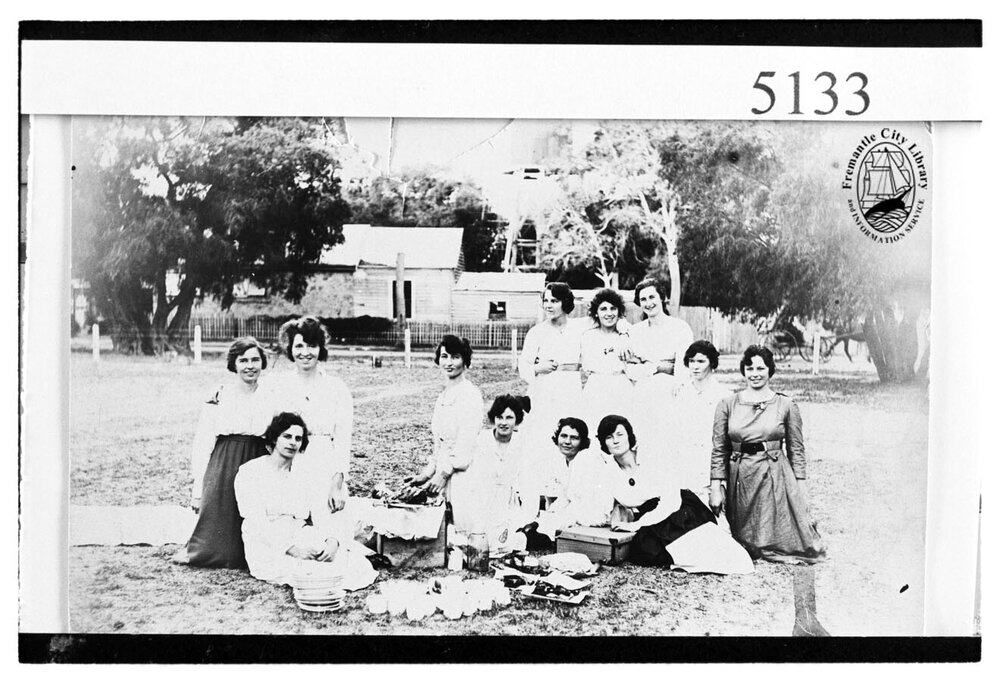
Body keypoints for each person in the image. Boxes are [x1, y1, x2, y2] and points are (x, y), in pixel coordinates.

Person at [710, 345, 826, 564]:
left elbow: (796, 450)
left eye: (761, 368)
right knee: (740, 540)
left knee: (784, 537)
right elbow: (719, 449)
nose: (755, 373)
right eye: (750, 368)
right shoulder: (727, 404)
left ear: (770, 371)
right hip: (740, 475)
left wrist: (801, 489)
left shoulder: (785, 404)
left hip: (773, 473)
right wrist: (716, 488)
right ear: (743, 371)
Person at [234, 412, 377, 590]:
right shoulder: (250, 472)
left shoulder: (303, 474)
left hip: (299, 533)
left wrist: (333, 540)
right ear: (274, 439)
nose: (292, 442)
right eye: (286, 436)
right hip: (267, 543)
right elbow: (255, 521)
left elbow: (320, 512)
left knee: (353, 565)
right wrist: (293, 549)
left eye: (298, 438)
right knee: (315, 573)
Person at [596, 415, 753, 574]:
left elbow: (670, 502)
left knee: (723, 556)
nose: (615, 441)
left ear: (629, 436)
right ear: (604, 443)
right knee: (644, 550)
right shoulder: (609, 473)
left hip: (677, 509)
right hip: (649, 518)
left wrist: (635, 525)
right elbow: (612, 504)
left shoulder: (651, 458)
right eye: (609, 437)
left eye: (620, 434)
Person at [175, 337, 273, 568]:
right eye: (243, 360)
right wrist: (197, 490)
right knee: (220, 537)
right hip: (225, 459)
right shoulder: (220, 397)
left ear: (263, 363)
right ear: (234, 364)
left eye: (255, 360)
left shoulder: (271, 395)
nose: (250, 366)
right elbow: (203, 442)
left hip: (258, 457)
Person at [267, 316, 353, 516]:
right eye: (299, 346)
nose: (305, 353)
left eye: (312, 346)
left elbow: (342, 442)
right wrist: (219, 391)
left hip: (324, 464)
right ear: (291, 349)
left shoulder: (336, 389)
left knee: (328, 528)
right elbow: (249, 392)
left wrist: (337, 484)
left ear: (320, 349)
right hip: (288, 462)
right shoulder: (277, 385)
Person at [400, 335, 484, 534]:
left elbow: (466, 444)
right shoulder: (443, 396)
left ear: (465, 361)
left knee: (462, 533)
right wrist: (426, 474)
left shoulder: (469, 395)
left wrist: (443, 474)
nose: (449, 363)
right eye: (444, 356)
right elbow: (440, 444)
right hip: (443, 472)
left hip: (463, 474)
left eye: (455, 357)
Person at [517, 282, 588, 488]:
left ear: (565, 302)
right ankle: (538, 486)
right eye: (545, 301)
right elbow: (524, 363)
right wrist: (538, 369)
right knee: (542, 432)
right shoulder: (537, 332)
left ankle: (568, 485)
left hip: (570, 387)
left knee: (569, 432)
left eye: (554, 301)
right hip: (544, 388)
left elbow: (612, 319)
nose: (548, 305)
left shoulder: (579, 327)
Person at [626, 278, 694, 467]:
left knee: (670, 442)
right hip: (643, 393)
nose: (648, 303)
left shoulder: (680, 328)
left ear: (662, 297)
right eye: (643, 299)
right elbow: (630, 369)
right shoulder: (636, 331)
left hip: (671, 391)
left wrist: (649, 365)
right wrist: (657, 367)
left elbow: (682, 366)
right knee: (645, 440)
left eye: (652, 297)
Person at [461, 394, 537, 553]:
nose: (503, 422)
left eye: (509, 417)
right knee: (477, 539)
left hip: (508, 503)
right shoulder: (482, 440)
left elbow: (529, 482)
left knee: (506, 542)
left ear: (517, 420)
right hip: (481, 499)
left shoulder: (522, 442)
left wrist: (526, 515)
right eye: (499, 417)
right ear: (493, 418)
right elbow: (472, 479)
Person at [659, 340, 733, 500]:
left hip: (710, 459)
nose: (695, 366)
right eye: (691, 361)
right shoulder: (681, 392)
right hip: (685, 457)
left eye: (701, 361)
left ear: (712, 363)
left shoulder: (724, 395)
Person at [534, 417, 609, 542]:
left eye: (574, 438)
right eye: (563, 436)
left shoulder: (585, 459)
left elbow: (581, 501)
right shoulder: (562, 461)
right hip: (577, 512)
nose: (567, 442)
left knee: (545, 526)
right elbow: (562, 497)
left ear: (582, 441)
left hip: (595, 515)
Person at [580, 288, 633, 434]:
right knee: (594, 427)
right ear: (596, 312)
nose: (609, 313)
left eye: (613, 308)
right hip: (596, 387)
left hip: (621, 386)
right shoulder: (588, 336)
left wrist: (624, 334)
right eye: (603, 309)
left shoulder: (626, 335)